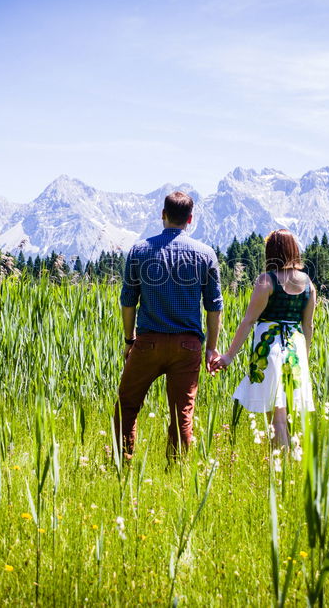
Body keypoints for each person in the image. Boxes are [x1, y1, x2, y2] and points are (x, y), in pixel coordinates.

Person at [114, 191, 223, 459]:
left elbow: (128, 301)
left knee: (127, 405)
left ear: (163, 215)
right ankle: (177, 472)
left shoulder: (140, 250)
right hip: (188, 346)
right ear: (190, 219)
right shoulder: (206, 254)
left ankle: (122, 463)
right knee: (182, 414)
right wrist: (211, 349)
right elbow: (214, 306)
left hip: (148, 342)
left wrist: (130, 340)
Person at [216, 229, 316, 447]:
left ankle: (281, 465)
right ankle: (285, 460)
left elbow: (249, 321)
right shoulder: (308, 283)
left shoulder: (267, 280)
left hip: (270, 347)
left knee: (277, 414)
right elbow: (308, 325)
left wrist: (229, 356)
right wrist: (304, 357)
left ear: (271, 251)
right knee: (285, 410)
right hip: (296, 349)